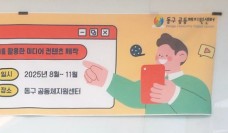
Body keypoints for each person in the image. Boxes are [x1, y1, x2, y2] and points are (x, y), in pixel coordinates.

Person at [83, 33, 211, 114]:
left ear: (181, 56)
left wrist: (175, 95)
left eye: (165, 55)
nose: (161, 58)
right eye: (159, 55)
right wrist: (107, 80)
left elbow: (204, 107)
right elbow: (132, 94)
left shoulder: (195, 83)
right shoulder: (153, 81)